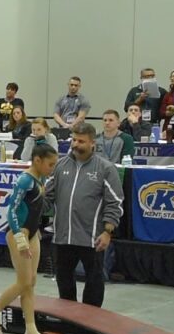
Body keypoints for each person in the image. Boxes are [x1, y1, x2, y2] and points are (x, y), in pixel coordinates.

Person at [0, 143, 59, 334]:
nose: (52, 168)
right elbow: (11, 211)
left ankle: (30, 329)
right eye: (50, 164)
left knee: (31, 282)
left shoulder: (40, 178)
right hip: (19, 234)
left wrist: (34, 234)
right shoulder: (25, 180)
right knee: (23, 282)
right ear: (37, 160)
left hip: (33, 233)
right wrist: (20, 239)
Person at [45, 122, 124, 307]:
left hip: (92, 238)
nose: (75, 144)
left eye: (81, 141)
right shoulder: (60, 165)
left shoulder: (106, 168)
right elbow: (47, 197)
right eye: (73, 140)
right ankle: (68, 317)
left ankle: (91, 323)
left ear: (92, 143)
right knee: (64, 280)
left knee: (94, 281)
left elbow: (115, 203)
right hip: (63, 237)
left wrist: (107, 232)